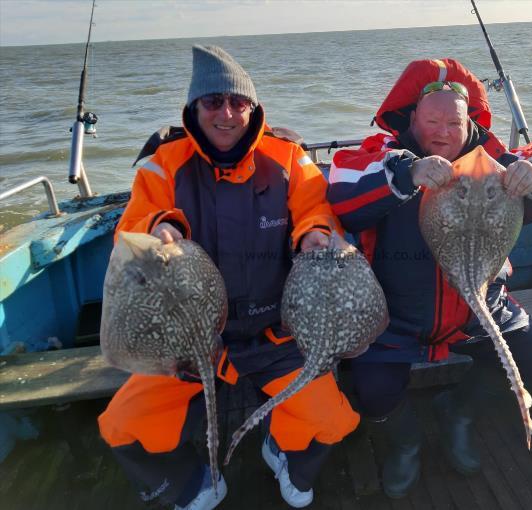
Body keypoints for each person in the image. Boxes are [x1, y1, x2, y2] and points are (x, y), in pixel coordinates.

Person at [98, 45, 359, 510]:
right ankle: (191, 482)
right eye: (213, 102)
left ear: (253, 108)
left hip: (276, 334)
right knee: (122, 425)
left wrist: (316, 234)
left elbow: (315, 208)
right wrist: (160, 225)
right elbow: (131, 230)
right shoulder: (164, 164)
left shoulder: (288, 158)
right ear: (194, 109)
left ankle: (282, 447)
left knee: (334, 420)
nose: (226, 113)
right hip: (187, 339)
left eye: (238, 102)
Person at [327, 58, 532, 498]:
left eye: (453, 122)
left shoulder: (494, 157)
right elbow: (343, 188)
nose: (441, 131)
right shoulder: (383, 155)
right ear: (412, 118)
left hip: (479, 298)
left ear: (469, 121)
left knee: (531, 350)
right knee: (372, 386)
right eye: (431, 120)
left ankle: (457, 413)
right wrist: (406, 173)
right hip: (396, 312)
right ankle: (405, 443)